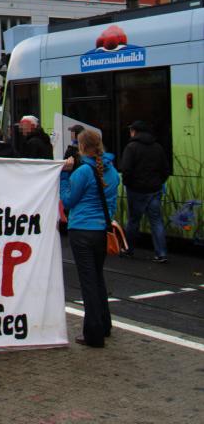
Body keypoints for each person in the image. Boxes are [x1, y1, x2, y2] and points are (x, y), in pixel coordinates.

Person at [60, 129, 119, 348]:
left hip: (81, 231)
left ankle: (93, 334)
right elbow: (111, 203)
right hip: (101, 232)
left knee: (88, 283)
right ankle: (105, 325)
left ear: (82, 147)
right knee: (97, 278)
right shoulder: (112, 172)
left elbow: (67, 200)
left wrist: (64, 175)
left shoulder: (83, 172)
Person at [120, 120, 170, 263]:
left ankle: (129, 249)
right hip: (154, 189)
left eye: (131, 130)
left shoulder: (131, 147)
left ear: (135, 131)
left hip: (136, 190)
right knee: (156, 221)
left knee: (134, 221)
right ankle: (161, 253)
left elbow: (126, 170)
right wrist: (158, 182)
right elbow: (165, 170)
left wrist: (128, 184)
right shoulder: (157, 147)